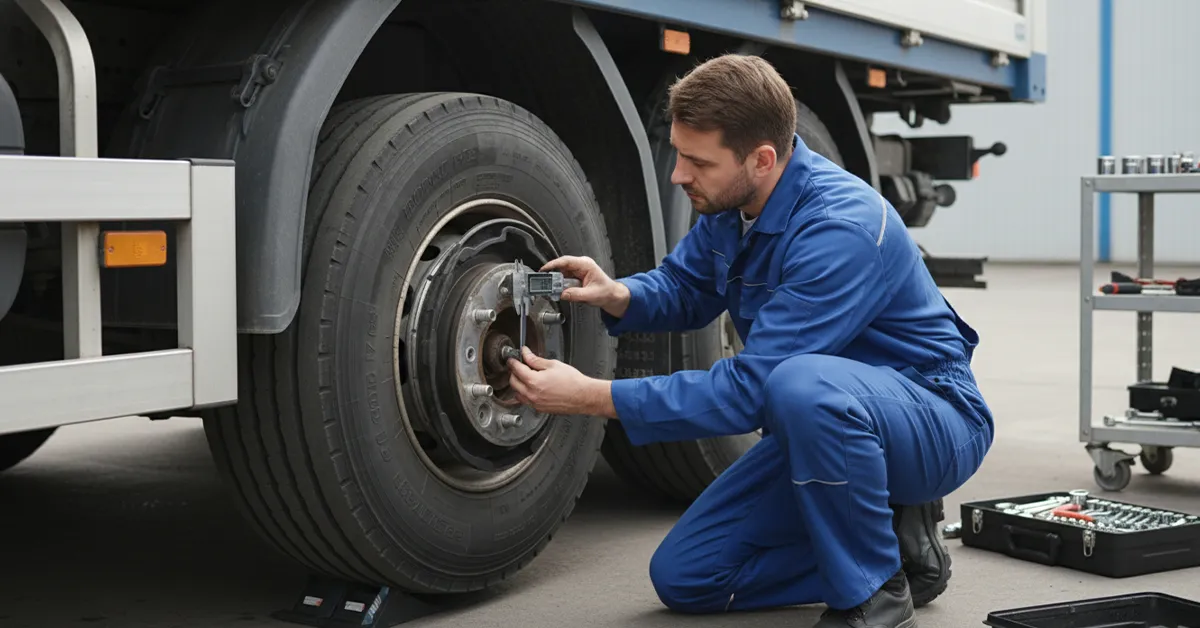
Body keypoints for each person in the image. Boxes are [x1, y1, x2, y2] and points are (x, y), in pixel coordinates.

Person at [506, 53, 994, 628]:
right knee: (687, 575)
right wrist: (619, 294)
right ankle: (901, 553)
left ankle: (874, 594)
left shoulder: (842, 229)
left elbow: (752, 390)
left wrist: (593, 397)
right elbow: (686, 285)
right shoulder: (736, 201)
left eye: (695, 161)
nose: (678, 174)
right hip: (825, 423)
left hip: (930, 417)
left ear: (762, 159)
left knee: (798, 383)